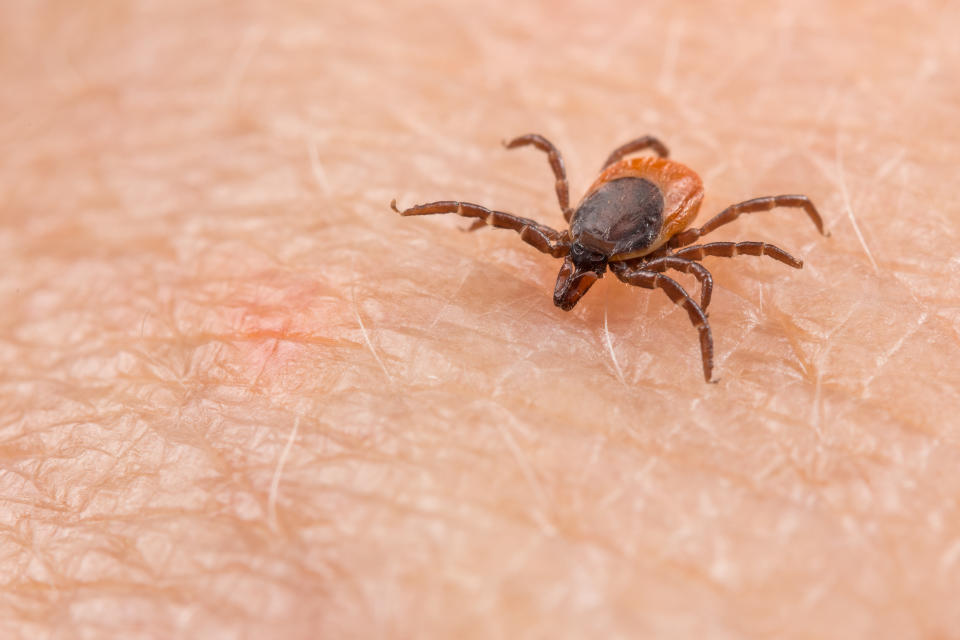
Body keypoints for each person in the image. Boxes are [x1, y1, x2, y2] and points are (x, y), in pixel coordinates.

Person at [4, 1, 958, 637]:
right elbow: (541, 191)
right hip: (631, 198)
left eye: (583, 266)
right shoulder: (578, 229)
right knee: (568, 218)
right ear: (578, 227)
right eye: (577, 260)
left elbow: (695, 255)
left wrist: (702, 308)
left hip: (651, 206)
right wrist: (472, 217)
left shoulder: (650, 251)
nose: (573, 274)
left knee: (731, 246)